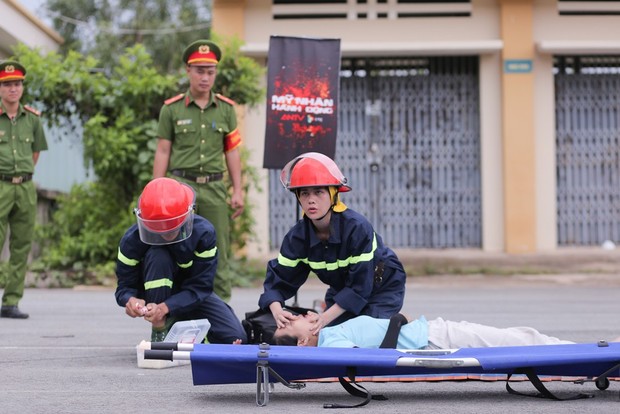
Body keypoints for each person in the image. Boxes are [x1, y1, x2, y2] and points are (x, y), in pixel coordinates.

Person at [259, 152, 407, 336]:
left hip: (381, 288)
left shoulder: (357, 228)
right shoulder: (297, 237)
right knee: (329, 337)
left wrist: (324, 317)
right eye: (304, 193)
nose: (311, 199)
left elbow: (360, 286)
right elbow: (279, 279)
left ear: (333, 193)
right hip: (342, 291)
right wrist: (277, 310)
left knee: (367, 336)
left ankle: (400, 325)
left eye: (319, 192)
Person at [153, 39, 244, 302]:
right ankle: (171, 312)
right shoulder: (172, 109)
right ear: (188, 71)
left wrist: (237, 190)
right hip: (181, 190)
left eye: (210, 72)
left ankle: (221, 316)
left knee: (219, 252)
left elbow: (232, 151)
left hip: (215, 189)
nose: (205, 77)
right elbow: (162, 151)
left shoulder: (226, 109)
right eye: (199, 71)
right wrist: (156, 192)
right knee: (175, 249)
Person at [114, 177, 247, 344]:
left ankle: (182, 326)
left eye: (172, 227)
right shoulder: (131, 242)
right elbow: (124, 287)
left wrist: (167, 307)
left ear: (188, 214)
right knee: (158, 255)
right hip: (154, 294)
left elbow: (201, 287)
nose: (165, 233)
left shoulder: (203, 234)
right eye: (159, 227)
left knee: (236, 337)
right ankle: (160, 329)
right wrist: (131, 300)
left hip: (191, 294)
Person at [0, 60, 48, 319]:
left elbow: (36, 151)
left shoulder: (32, 119)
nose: (13, 89)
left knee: (21, 245)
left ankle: (11, 301)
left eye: (17, 84)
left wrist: (23, 174)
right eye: (7, 84)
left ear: (22, 87)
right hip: (0, 185)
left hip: (25, 186)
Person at [273, 312, 579, 348]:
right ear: (302, 341)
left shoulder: (329, 332)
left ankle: (581, 350)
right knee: (513, 340)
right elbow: (374, 361)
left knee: (515, 336)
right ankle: (581, 355)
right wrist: (395, 324)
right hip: (431, 341)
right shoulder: (330, 346)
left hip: (432, 331)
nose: (298, 314)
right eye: (292, 321)